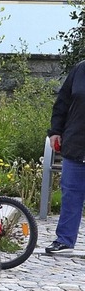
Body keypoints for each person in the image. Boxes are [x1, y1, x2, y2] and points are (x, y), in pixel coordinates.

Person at [45, 61, 85, 254]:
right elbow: (62, 102)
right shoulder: (80, 69)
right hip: (76, 144)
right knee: (70, 195)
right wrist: (55, 131)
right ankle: (65, 240)